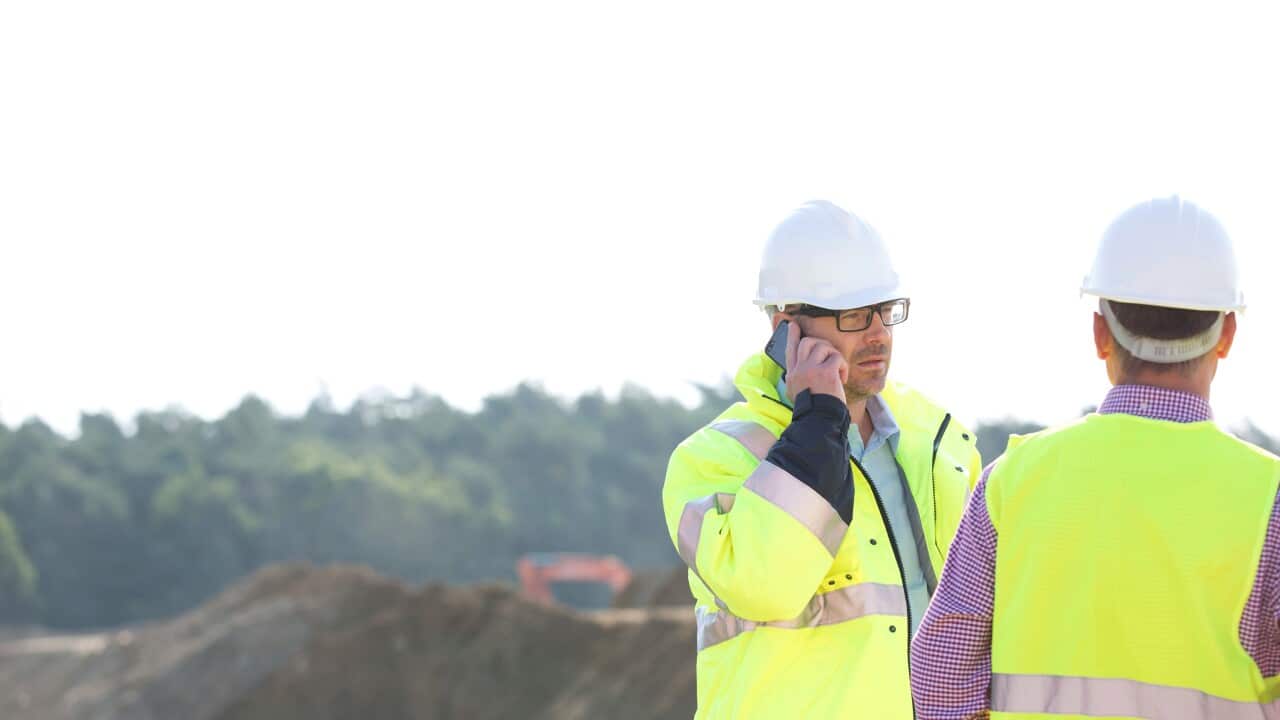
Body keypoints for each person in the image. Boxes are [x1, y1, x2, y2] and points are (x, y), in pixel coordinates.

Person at [910, 196, 1280, 720]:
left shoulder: (1012, 482)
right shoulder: (1269, 498)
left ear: (1100, 334)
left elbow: (941, 675)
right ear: (1227, 337)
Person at [663, 200, 981, 718]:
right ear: (787, 327)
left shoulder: (938, 444)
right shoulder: (714, 459)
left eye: (887, 311)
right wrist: (817, 422)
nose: (879, 333)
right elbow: (766, 584)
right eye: (854, 316)